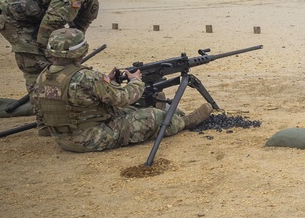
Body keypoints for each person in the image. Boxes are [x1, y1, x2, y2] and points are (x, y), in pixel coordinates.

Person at [30, 29, 213, 153]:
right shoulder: (86, 77)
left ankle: (168, 113)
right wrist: (135, 81)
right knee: (152, 116)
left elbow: (42, 113)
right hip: (89, 138)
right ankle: (184, 122)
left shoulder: (43, 77)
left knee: (134, 111)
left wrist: (108, 81)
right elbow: (124, 98)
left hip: (62, 139)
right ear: (80, 52)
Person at [0, 0, 118, 92]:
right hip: (14, 20)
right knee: (38, 62)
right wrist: (53, 55)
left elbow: (79, 28)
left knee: (58, 61)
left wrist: (74, 54)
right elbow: (51, 24)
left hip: (37, 18)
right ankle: (39, 100)